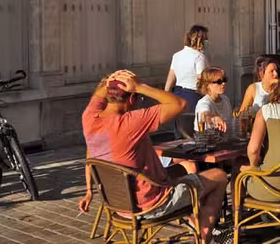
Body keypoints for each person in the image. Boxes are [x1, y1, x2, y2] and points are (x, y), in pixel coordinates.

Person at [80, 70, 227, 244]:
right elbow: (179, 103)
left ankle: (197, 222)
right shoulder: (130, 122)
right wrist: (140, 87)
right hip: (152, 203)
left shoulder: (89, 118)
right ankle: (205, 236)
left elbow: (97, 96)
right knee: (219, 176)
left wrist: (111, 81)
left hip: (118, 204)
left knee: (188, 167)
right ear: (133, 98)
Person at [164, 25, 209, 113]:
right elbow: (202, 81)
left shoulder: (177, 55)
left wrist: (165, 97)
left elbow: (169, 81)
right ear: (199, 40)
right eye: (206, 39)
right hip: (193, 95)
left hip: (177, 94)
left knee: (179, 123)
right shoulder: (199, 57)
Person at [194, 67, 232, 132]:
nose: (223, 83)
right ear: (207, 85)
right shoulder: (204, 102)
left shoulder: (225, 99)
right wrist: (214, 118)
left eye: (224, 80)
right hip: (206, 138)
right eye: (219, 82)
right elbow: (205, 114)